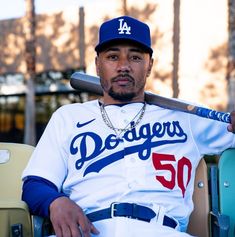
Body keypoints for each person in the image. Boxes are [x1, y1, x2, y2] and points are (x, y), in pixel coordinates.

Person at [22, 15, 235, 237]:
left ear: (149, 65)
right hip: (88, 230)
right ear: (97, 64)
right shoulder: (67, 117)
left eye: (135, 57)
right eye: (113, 57)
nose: (123, 66)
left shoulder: (186, 116)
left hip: (161, 230)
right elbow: (35, 184)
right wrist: (54, 202)